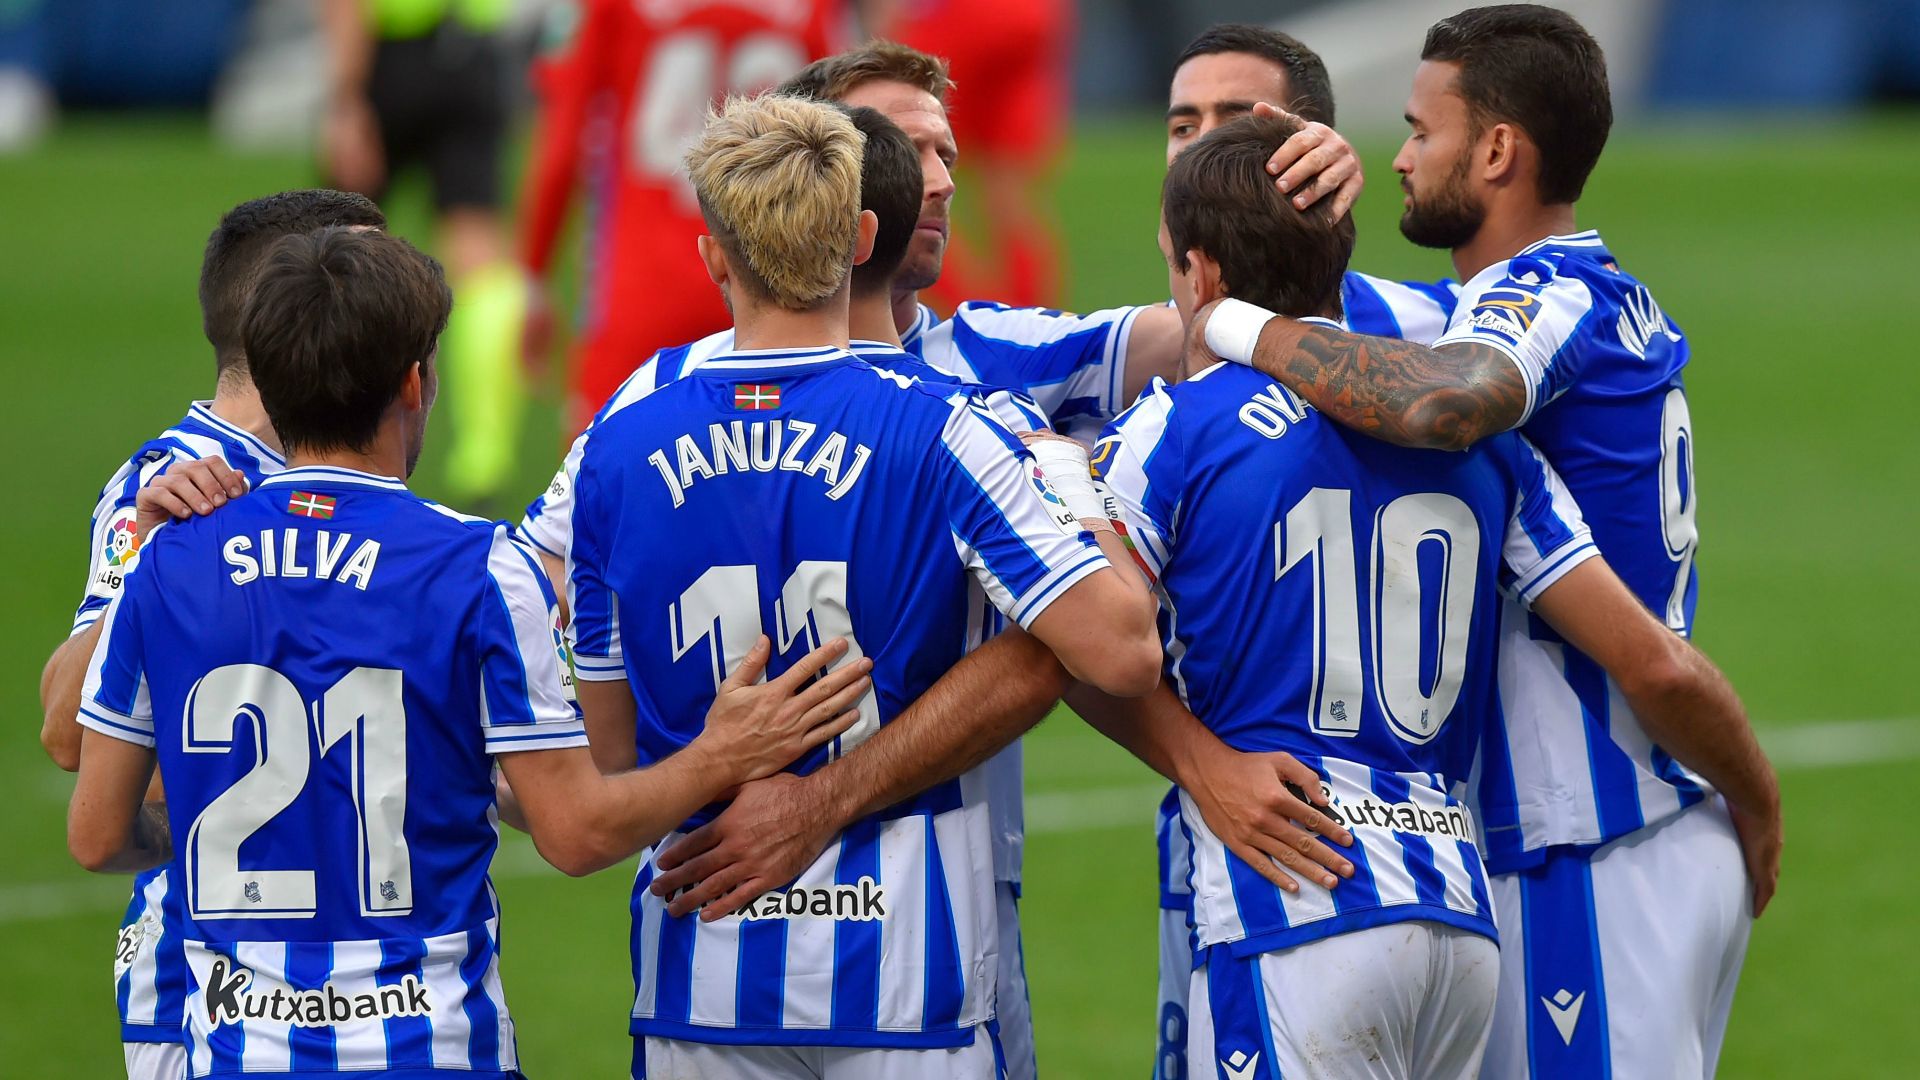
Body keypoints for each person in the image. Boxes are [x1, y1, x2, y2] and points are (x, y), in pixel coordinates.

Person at [66, 223, 870, 1077]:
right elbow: (574, 832)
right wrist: (720, 754)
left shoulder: (168, 559)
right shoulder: (479, 566)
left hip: (232, 1052)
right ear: (415, 385)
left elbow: (97, 837)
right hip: (432, 1048)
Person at [1093, 109, 1774, 1080]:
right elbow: (1646, 653)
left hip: (1295, 896)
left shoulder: (1173, 427)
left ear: (1200, 274)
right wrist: (1751, 789)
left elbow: (1073, 636)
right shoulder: (1497, 456)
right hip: (1453, 914)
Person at [563, 92, 1161, 1077]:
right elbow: (1120, 651)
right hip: (908, 977)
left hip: (697, 973)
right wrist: (1072, 486)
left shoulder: (612, 453)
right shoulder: (954, 425)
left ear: (714, 256)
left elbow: (608, 752)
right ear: (864, 236)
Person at [37, 189, 385, 1080]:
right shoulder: (172, 484)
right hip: (203, 991)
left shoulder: (347, 467)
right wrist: (149, 566)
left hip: (336, 974)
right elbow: (69, 729)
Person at [518, 0, 845, 427]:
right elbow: (847, 136)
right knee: (765, 474)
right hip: (770, 286)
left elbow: (562, 150)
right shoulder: (814, 9)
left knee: (603, 478)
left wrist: (535, 277)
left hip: (640, 293)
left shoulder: (610, 9)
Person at [318, 0, 528, 509]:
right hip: (471, 54)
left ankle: (323, 433)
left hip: (390, 58)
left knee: (332, 252)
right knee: (480, 259)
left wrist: (345, 100)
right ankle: (484, 457)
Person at [883, 0, 1073, 309]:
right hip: (1028, 16)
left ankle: (973, 318)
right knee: (1011, 197)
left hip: (953, 21)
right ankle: (1029, 323)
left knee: (912, 188)